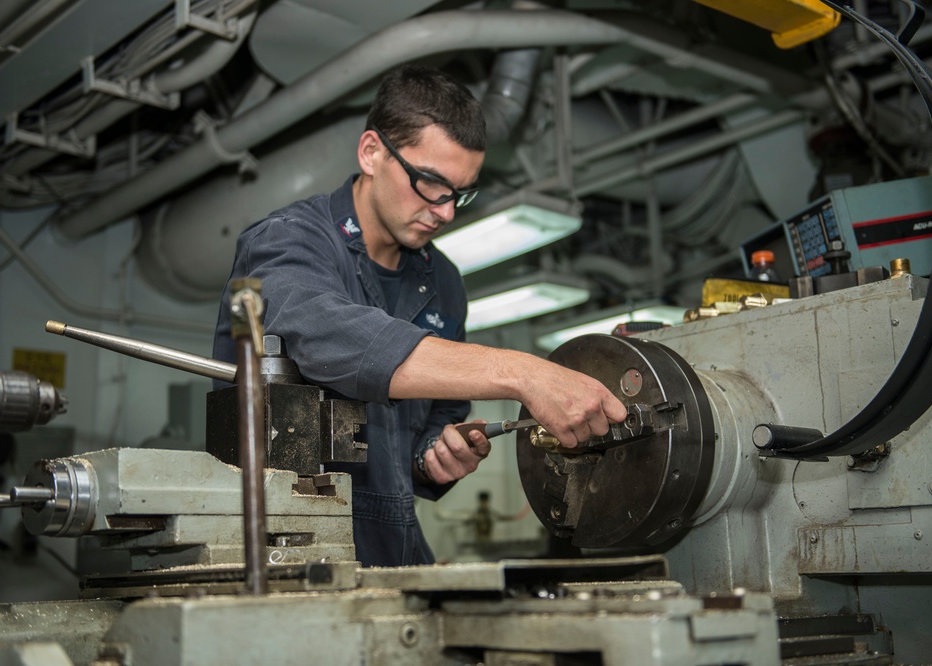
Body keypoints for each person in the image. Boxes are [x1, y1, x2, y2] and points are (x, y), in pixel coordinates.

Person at [213, 64, 625, 568]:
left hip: (397, 548)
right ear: (371, 152)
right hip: (284, 549)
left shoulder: (444, 283)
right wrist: (523, 372)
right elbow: (320, 334)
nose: (446, 211)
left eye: (461, 192)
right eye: (430, 182)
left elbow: (433, 425)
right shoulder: (282, 242)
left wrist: (435, 457)